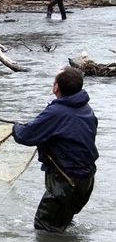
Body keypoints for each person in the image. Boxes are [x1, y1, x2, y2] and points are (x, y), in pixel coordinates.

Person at [12, 66, 98, 232]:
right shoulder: (86, 109)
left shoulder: (56, 112)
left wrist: (16, 127)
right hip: (86, 182)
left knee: (45, 231)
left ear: (56, 87)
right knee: (63, 226)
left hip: (66, 183)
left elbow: (24, 136)